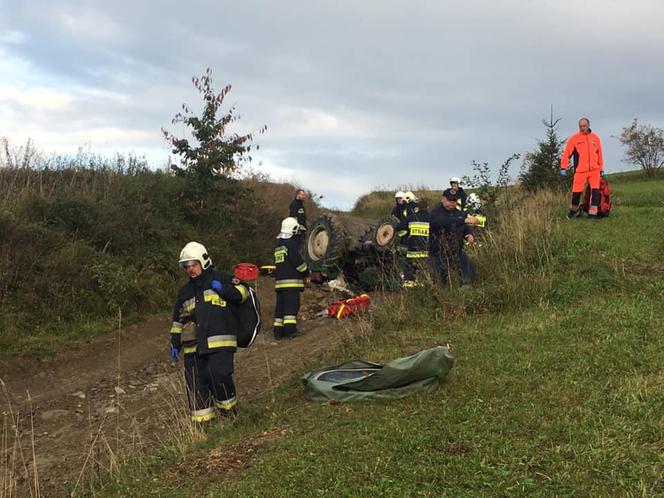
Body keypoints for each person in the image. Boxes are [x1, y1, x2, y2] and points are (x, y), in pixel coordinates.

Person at [169, 241, 249, 423]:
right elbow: (177, 320)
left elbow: (244, 293)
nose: (190, 270)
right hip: (193, 349)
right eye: (187, 267)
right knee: (196, 385)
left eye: (193, 265)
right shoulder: (185, 292)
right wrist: (175, 343)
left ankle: (230, 414)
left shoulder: (221, 279)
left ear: (204, 262)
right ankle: (204, 425)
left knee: (219, 375)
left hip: (220, 343)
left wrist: (225, 290)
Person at [429, 191, 478, 285]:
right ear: (443, 199)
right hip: (438, 252)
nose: (452, 203)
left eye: (454, 201)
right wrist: (463, 220)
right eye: (449, 200)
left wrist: (468, 234)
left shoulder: (459, 213)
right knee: (439, 279)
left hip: (456, 250)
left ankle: (465, 287)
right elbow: (443, 222)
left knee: (467, 266)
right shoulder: (436, 212)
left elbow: (464, 227)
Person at [560, 117, 605, 219]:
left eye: (584, 126)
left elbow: (599, 154)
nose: (582, 128)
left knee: (595, 192)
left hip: (594, 170)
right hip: (580, 171)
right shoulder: (574, 139)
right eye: (580, 126)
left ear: (588, 125)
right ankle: (573, 210)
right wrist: (564, 167)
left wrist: (601, 168)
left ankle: (593, 214)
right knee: (576, 193)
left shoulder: (595, 138)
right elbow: (566, 153)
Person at [274, 217, 309, 339]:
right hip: (291, 284)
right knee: (291, 308)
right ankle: (291, 332)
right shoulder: (291, 244)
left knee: (280, 308)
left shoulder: (279, 246)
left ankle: (278, 332)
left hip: (280, 284)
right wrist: (306, 271)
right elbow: (298, 262)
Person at [398, 195, 430, 288]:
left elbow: (398, 228)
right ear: (427, 208)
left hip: (412, 252)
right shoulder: (432, 219)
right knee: (425, 273)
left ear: (417, 208)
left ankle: (409, 289)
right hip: (426, 252)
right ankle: (425, 287)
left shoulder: (411, 218)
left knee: (409, 272)